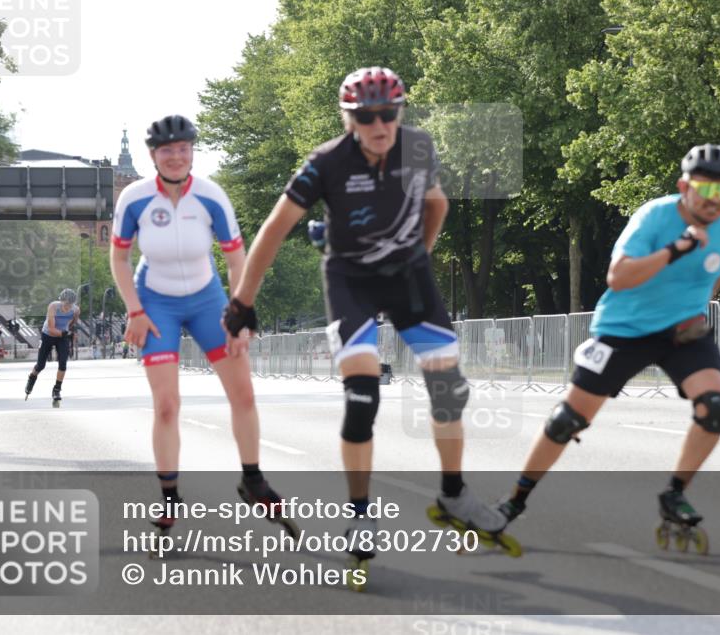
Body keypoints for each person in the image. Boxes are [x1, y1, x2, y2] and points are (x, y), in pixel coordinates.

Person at [223, 67, 507, 574]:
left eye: (388, 113)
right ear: (348, 118)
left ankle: (454, 495)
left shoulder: (417, 148)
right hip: (351, 280)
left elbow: (437, 204)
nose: (379, 124)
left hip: (407, 276)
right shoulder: (327, 163)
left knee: (447, 387)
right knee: (361, 396)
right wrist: (242, 303)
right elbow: (274, 229)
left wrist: (419, 253)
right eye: (365, 116)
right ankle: (359, 514)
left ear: (400, 111)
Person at [497, 144, 720, 541]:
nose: (716, 201)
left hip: (682, 331)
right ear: (684, 186)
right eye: (706, 190)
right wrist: (676, 248)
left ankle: (674, 493)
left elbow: (713, 277)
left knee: (716, 405)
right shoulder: (655, 217)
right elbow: (619, 277)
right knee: (568, 421)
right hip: (624, 330)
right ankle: (512, 502)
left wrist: (698, 309)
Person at [109, 114, 296, 537]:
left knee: (244, 394)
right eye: (166, 151)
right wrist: (135, 310)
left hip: (207, 297)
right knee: (167, 405)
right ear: (153, 156)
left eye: (183, 149)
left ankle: (252, 480)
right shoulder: (135, 198)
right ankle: (171, 498)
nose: (175, 157)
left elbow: (235, 259)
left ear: (192, 151)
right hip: (156, 301)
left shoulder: (211, 195)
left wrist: (239, 312)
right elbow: (119, 258)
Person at [25, 289, 80, 404]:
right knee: (41, 365)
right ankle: (31, 378)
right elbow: (51, 328)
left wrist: (66, 330)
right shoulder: (53, 307)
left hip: (62, 336)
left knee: (63, 364)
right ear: (61, 301)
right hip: (48, 335)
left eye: (70, 304)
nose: (68, 307)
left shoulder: (75, 310)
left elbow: (72, 322)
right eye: (66, 304)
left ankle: (57, 390)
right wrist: (65, 333)